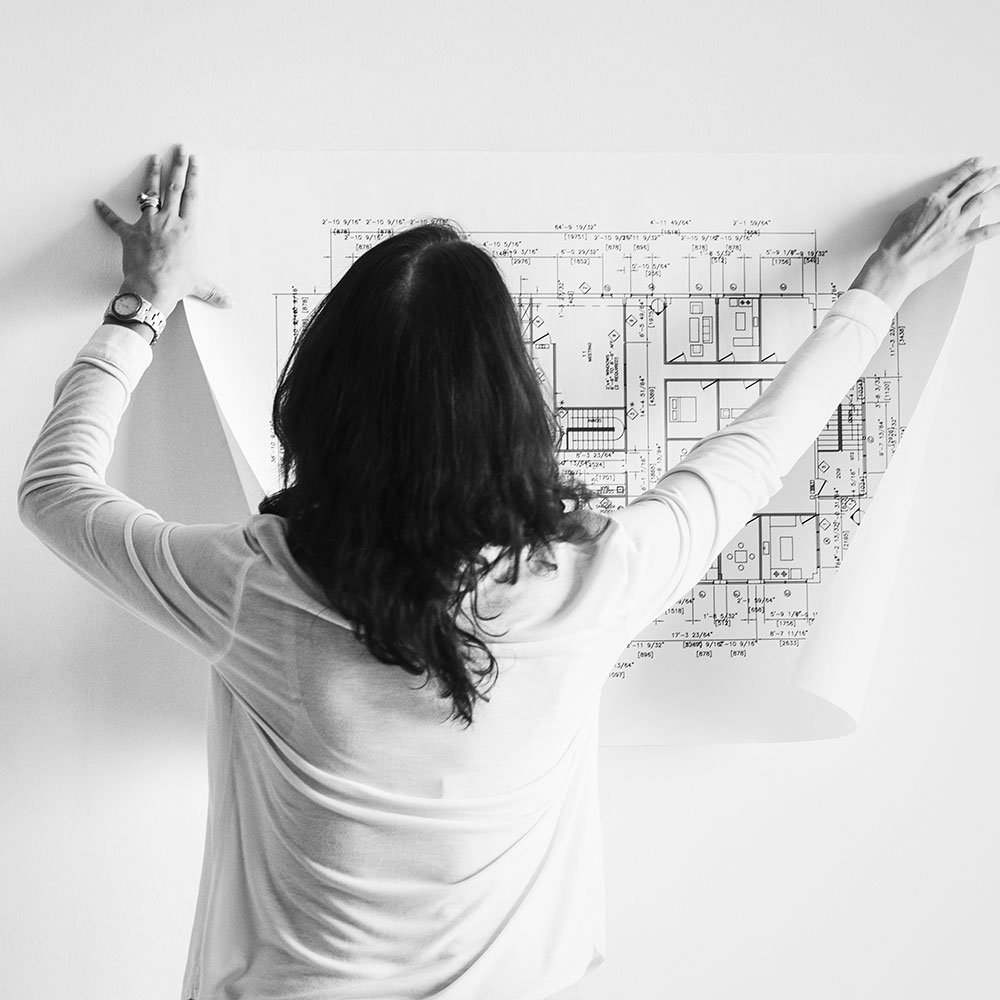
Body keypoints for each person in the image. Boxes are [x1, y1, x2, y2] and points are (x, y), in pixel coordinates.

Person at [18, 147, 999, 1000]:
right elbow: (758, 449)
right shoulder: (596, 582)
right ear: (513, 410)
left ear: (316, 399)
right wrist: (883, 283)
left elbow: (54, 491)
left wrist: (141, 301)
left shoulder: (250, 586)